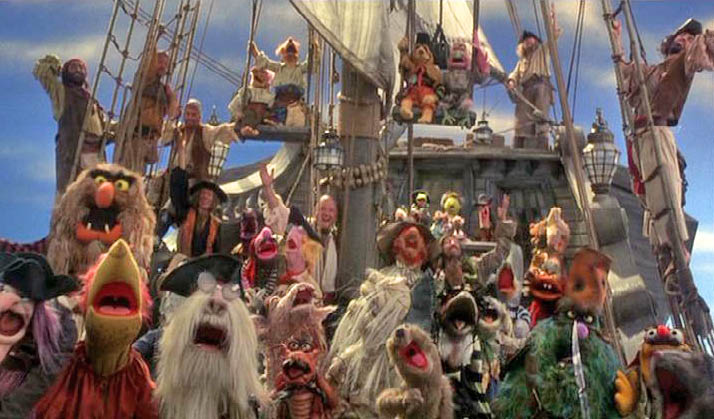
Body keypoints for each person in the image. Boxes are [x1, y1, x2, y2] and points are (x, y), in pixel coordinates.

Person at [613, 18, 714, 269]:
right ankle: (664, 251)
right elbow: (624, 70)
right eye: (682, 35)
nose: (685, 40)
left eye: (690, 38)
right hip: (638, 138)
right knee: (651, 196)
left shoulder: (683, 64)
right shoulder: (650, 71)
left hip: (657, 132)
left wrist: (705, 42)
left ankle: (676, 251)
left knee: (666, 185)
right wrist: (617, 38)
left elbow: (702, 49)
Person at [326, 220, 439, 416]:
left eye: (416, 240)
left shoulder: (427, 285)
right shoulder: (383, 278)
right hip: (371, 356)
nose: (411, 242)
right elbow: (361, 325)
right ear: (396, 246)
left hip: (402, 357)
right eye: (406, 238)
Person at [33, 55, 108, 194]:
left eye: (81, 67)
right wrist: (57, 66)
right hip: (74, 156)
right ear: (66, 72)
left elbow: (105, 126)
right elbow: (41, 70)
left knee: (99, 196)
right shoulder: (61, 93)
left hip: (96, 156)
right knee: (74, 195)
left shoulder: (92, 101)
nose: (78, 70)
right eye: (73, 67)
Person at [507, 4, 561, 149]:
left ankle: (542, 141)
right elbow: (514, 74)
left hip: (541, 85)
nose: (529, 42)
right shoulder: (522, 62)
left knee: (541, 115)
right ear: (522, 46)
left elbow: (553, 36)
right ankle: (519, 144)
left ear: (536, 41)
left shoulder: (542, 51)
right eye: (526, 41)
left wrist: (553, 19)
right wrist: (511, 81)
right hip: (526, 90)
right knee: (521, 118)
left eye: (531, 40)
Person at [120, 49, 179, 173]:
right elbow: (150, 56)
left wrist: (172, 96)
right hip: (136, 135)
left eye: (165, 64)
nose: (163, 66)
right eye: (160, 62)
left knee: (139, 174)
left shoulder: (163, 90)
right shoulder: (145, 78)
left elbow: (172, 114)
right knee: (129, 173)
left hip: (151, 140)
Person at [161, 98, 238, 181]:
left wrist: (238, 127)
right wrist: (173, 117)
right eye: (187, 114)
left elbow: (222, 130)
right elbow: (164, 132)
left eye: (193, 115)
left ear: (199, 117)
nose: (190, 117)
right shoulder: (178, 130)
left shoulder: (205, 132)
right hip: (173, 177)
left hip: (194, 181)